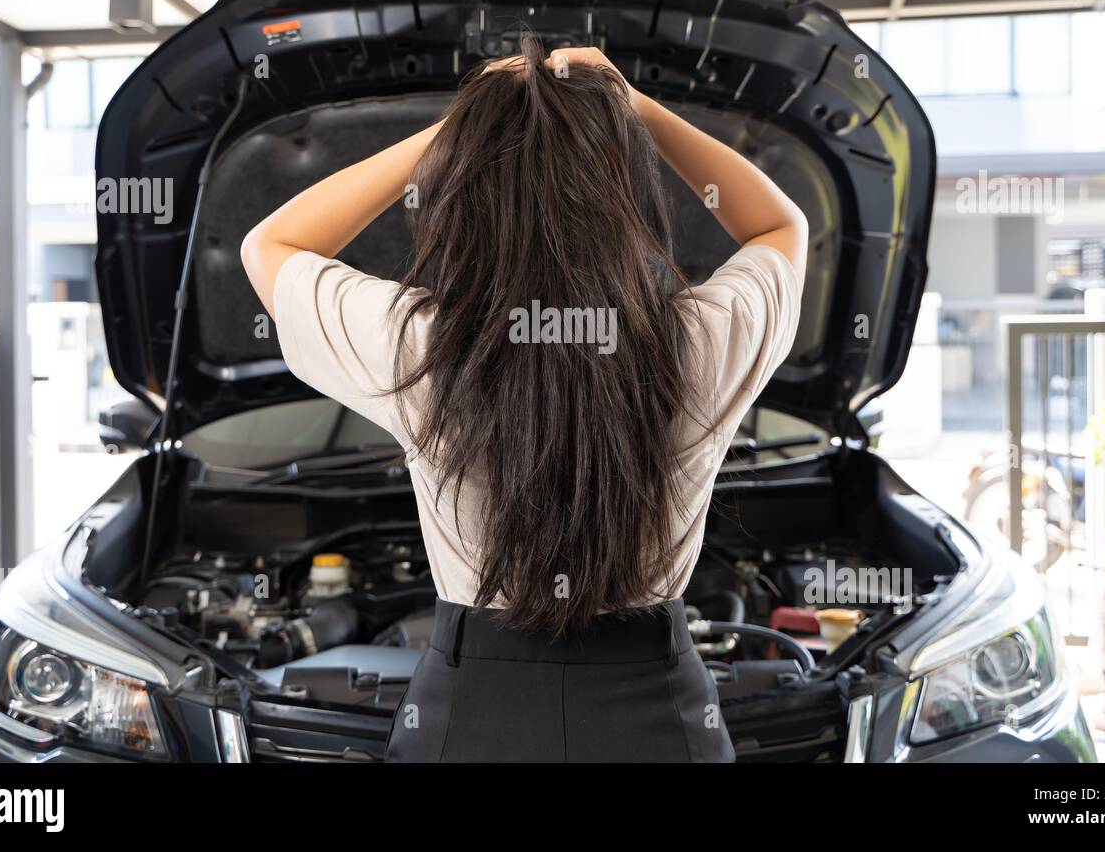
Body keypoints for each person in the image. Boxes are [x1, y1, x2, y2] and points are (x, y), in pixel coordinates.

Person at [241, 38, 808, 762]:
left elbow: (272, 245)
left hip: (471, 715)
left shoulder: (419, 344)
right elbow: (780, 228)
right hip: (660, 716)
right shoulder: (700, 341)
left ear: (462, 193)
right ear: (627, 192)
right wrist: (632, 109)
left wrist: (462, 124)